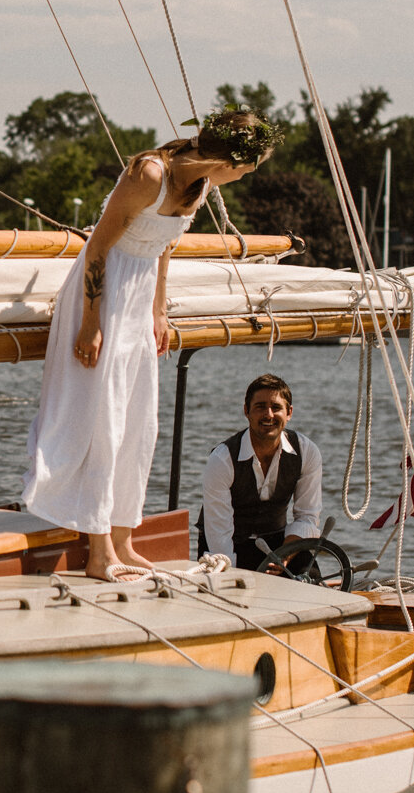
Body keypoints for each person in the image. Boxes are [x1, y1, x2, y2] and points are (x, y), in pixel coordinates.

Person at [23, 108, 277, 581]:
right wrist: (91, 323)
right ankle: (98, 552)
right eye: (247, 167)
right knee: (106, 421)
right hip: (103, 295)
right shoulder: (149, 174)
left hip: (139, 300)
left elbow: (164, 248)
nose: (245, 176)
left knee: (140, 423)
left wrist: (159, 310)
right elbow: (98, 246)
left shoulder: (202, 184)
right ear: (227, 158)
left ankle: (122, 538)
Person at [199, 374, 323, 570]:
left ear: (289, 413)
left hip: (280, 546)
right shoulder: (222, 459)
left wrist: (284, 556)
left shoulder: (307, 452)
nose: (269, 415)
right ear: (246, 411)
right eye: (260, 407)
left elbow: (307, 517)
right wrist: (232, 577)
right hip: (228, 547)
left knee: (309, 577)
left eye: (276, 408)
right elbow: (219, 536)